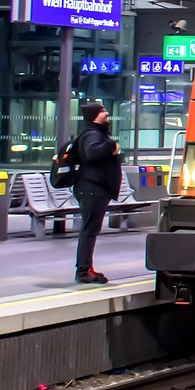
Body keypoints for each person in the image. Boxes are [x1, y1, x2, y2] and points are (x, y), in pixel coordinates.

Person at [71, 101, 122, 285]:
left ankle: (86, 269)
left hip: (95, 189)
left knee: (90, 230)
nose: (106, 113)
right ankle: (84, 271)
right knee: (89, 231)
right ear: (95, 116)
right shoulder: (92, 134)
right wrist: (112, 147)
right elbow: (92, 153)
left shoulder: (96, 134)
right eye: (102, 111)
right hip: (92, 189)